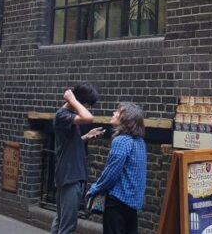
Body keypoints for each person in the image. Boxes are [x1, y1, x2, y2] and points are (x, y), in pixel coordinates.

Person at [51, 83, 104, 234]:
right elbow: (89, 117)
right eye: (87, 105)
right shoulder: (63, 115)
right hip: (70, 176)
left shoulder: (67, 117)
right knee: (67, 227)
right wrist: (72, 100)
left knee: (60, 222)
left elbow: (67, 144)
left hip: (68, 175)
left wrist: (86, 137)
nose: (88, 108)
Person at [87, 102, 147, 234]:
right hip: (132, 205)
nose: (114, 113)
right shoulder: (140, 142)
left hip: (117, 204)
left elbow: (111, 173)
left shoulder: (121, 141)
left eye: (118, 112)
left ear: (126, 119)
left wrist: (94, 189)